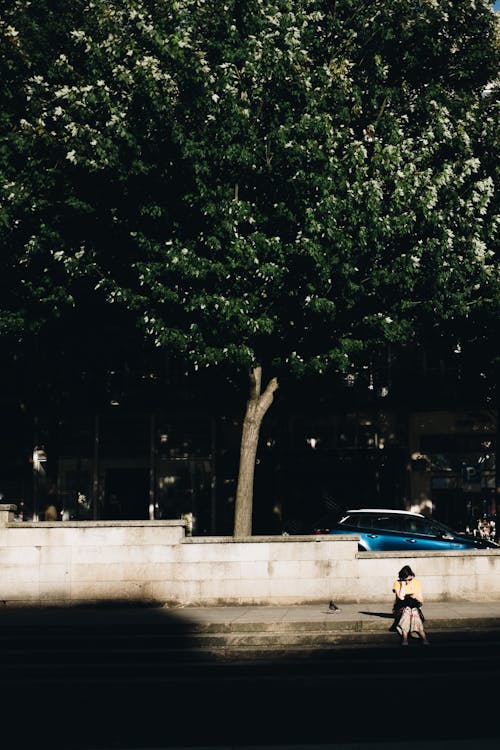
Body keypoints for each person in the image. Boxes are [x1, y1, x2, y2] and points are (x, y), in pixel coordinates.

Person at [391, 564, 429, 646]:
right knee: (407, 611)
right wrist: (403, 584)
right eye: (405, 580)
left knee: (413, 611)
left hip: (414, 607)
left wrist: (416, 596)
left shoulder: (416, 583)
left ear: (412, 576)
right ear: (401, 578)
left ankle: (409, 638)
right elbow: (401, 598)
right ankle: (412, 637)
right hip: (400, 608)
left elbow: (422, 601)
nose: (408, 581)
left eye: (410, 579)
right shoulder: (397, 583)